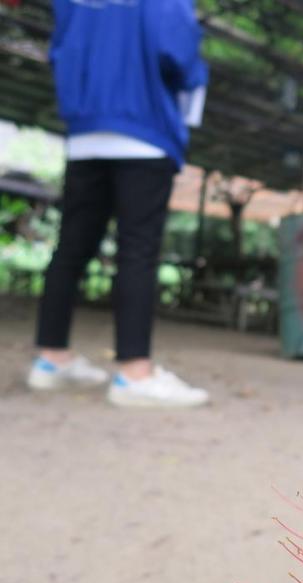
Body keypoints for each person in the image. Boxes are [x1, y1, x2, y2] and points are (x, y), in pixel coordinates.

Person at [27, 0, 210, 408]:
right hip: (144, 128)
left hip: (85, 130)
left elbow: (62, 48)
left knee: (71, 247)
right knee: (138, 251)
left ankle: (51, 358)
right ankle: (134, 373)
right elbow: (178, 51)